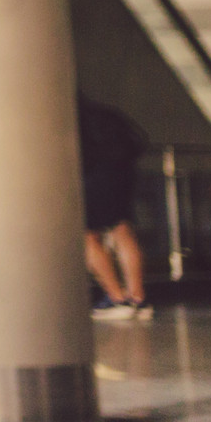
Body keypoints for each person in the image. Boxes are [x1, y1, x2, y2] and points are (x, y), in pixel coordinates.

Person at [79, 94, 152, 320]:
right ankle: (138, 299)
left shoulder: (73, 117)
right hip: (122, 175)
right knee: (122, 230)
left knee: (88, 236)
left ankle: (116, 298)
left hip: (92, 177)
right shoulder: (105, 112)